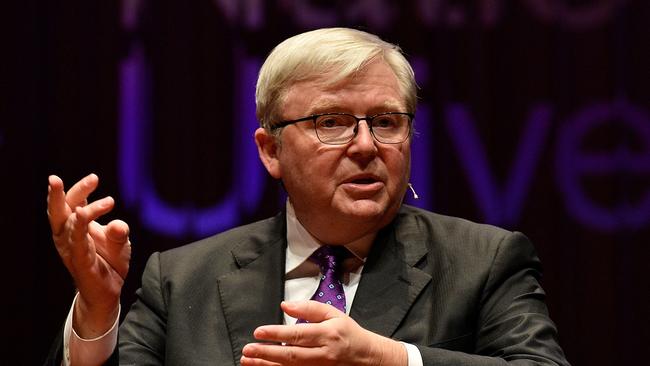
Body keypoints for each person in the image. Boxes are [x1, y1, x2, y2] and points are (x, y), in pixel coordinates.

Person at [45, 27, 570, 366]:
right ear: (271, 150)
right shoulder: (183, 279)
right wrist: (95, 311)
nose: (366, 145)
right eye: (332, 123)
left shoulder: (484, 261)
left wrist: (387, 360)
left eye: (386, 122)